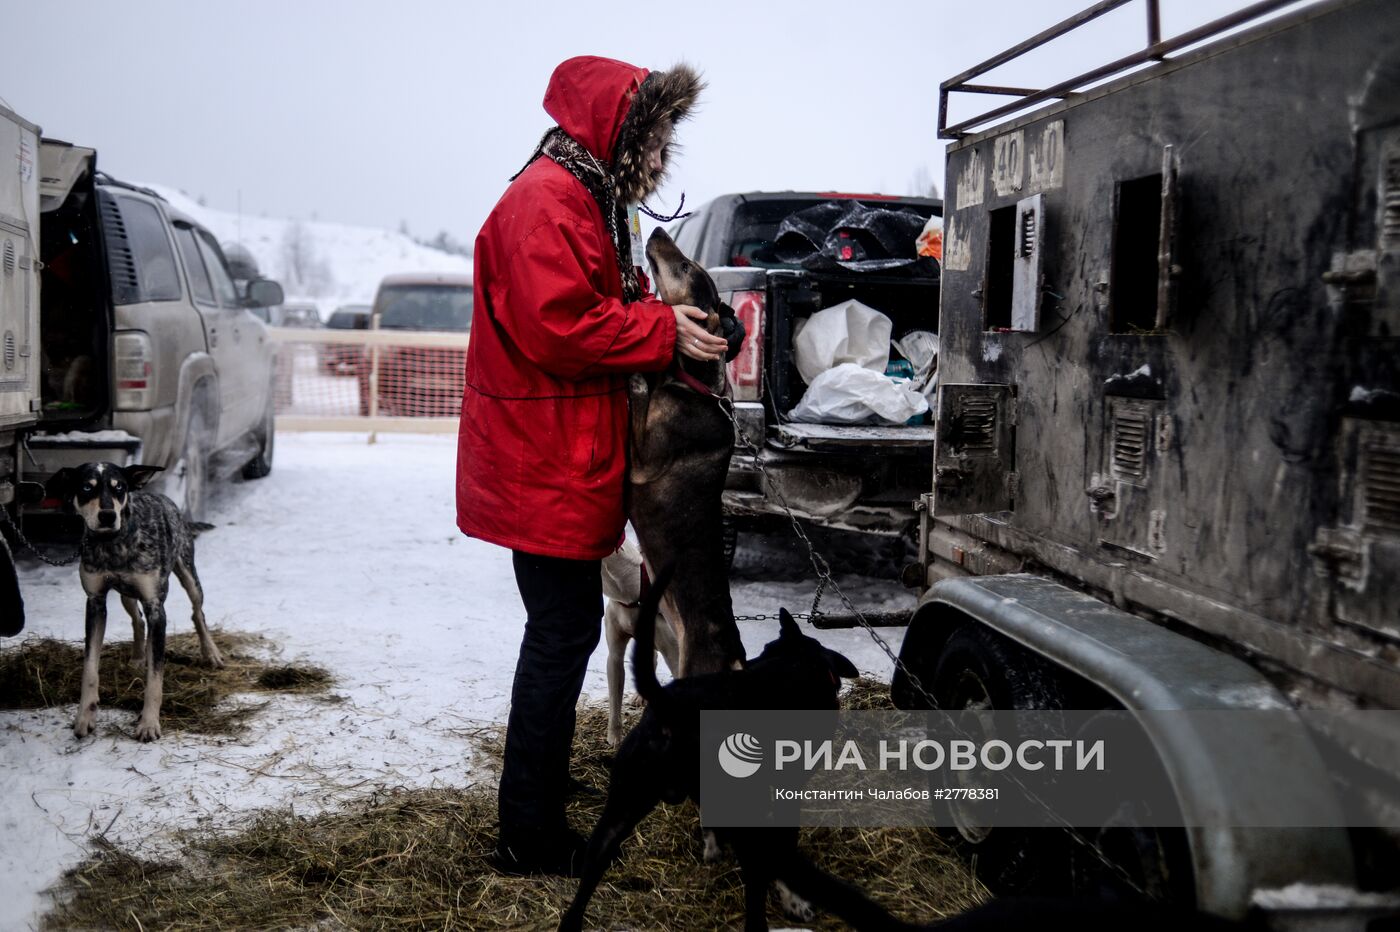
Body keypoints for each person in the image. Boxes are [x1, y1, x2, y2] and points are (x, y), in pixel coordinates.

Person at [455, 56, 728, 876]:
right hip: (544, 458)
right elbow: (560, 328)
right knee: (561, 632)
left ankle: (534, 795)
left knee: (562, 629)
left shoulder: (581, 198)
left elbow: (592, 306)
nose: (659, 159)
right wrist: (663, 331)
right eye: (653, 140)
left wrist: (657, 315)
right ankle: (528, 835)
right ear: (618, 131)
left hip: (557, 451)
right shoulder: (547, 203)